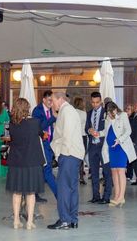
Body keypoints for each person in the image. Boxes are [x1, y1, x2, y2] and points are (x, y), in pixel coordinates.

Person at [6, 98, 45, 230]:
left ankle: (16, 221)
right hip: (32, 161)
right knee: (30, 193)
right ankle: (29, 222)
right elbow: (41, 134)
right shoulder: (35, 122)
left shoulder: (12, 124)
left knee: (17, 192)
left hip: (16, 161)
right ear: (27, 108)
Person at [47, 92, 85, 230]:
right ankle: (73, 219)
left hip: (68, 154)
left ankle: (65, 220)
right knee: (72, 188)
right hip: (73, 154)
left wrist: (60, 155)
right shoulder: (66, 111)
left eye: (53, 100)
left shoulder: (67, 111)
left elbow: (67, 135)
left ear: (60, 99)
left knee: (63, 188)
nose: (51, 103)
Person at [102, 101, 136, 206]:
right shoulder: (108, 118)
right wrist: (97, 133)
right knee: (114, 172)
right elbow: (105, 132)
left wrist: (119, 140)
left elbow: (128, 131)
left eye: (110, 113)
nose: (109, 115)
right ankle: (116, 195)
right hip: (111, 149)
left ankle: (121, 197)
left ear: (115, 110)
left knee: (121, 171)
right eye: (107, 113)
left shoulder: (123, 115)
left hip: (121, 147)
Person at [85, 91, 111, 204]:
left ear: (100, 101)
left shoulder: (106, 113)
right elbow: (86, 127)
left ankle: (106, 197)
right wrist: (89, 130)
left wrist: (98, 133)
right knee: (94, 172)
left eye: (97, 102)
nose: (95, 105)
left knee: (106, 172)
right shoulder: (89, 113)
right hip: (92, 146)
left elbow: (109, 129)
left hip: (103, 146)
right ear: (91, 102)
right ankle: (96, 196)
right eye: (93, 102)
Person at [32, 90, 58, 201]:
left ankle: (35, 194)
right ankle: (59, 195)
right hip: (41, 143)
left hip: (50, 143)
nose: (51, 102)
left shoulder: (51, 110)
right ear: (43, 99)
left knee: (41, 170)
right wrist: (53, 117)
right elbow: (39, 127)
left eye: (52, 100)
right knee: (47, 170)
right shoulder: (37, 111)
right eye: (49, 100)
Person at [73, 97, 88, 185]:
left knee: (75, 156)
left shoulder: (73, 112)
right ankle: (81, 177)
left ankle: (74, 176)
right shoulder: (84, 113)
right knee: (81, 157)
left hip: (75, 136)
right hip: (83, 136)